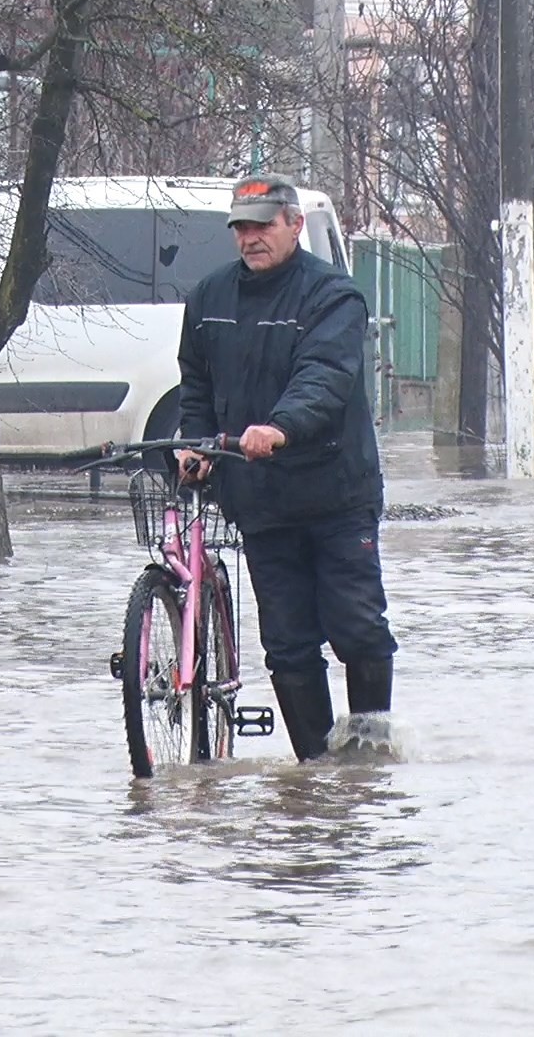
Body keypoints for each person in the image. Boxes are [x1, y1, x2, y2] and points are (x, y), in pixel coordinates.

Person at [174, 173, 397, 762]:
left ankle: (368, 759)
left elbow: (324, 376)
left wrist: (279, 427)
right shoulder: (208, 299)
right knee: (288, 644)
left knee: (357, 628)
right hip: (261, 499)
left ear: (295, 225)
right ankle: (317, 772)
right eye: (241, 228)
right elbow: (196, 387)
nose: (251, 238)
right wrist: (194, 445)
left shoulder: (333, 296)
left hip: (335, 494)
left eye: (263, 225)